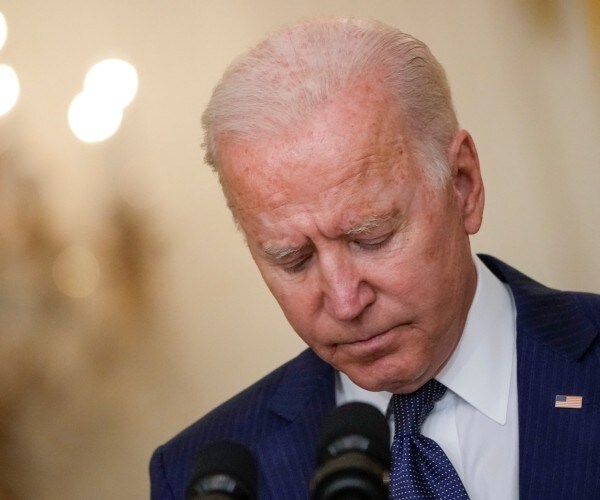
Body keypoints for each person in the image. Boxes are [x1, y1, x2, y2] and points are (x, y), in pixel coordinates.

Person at [150, 18, 600, 499]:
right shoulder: (198, 479)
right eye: (294, 260)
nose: (345, 302)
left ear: (463, 185)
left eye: (372, 237)